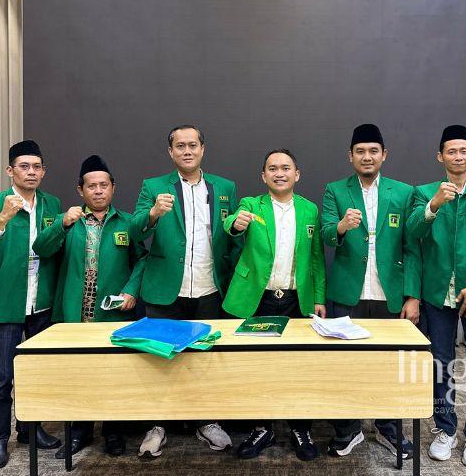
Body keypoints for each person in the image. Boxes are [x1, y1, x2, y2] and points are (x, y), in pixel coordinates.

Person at [129, 125, 241, 457]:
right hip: (166, 288)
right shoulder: (154, 187)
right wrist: (152, 214)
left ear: (203, 148)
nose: (187, 151)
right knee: (159, 359)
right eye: (180, 146)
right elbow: (135, 230)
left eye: (193, 145)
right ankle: (157, 425)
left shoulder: (224, 187)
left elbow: (231, 236)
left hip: (209, 287)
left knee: (205, 360)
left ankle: (207, 421)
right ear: (171, 152)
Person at [33, 154, 147, 458]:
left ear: (113, 188)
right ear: (80, 190)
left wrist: (131, 291)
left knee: (114, 373)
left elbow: (142, 260)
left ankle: (113, 431)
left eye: (104, 185)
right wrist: (61, 223)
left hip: (112, 315)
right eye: (91, 186)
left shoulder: (127, 223)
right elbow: (42, 248)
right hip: (74, 316)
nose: (98, 191)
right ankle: (79, 432)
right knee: (78, 375)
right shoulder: (70, 221)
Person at [406, 125, 466, 469]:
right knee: (440, 363)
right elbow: (413, 233)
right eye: (451, 151)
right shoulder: (423, 192)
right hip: (438, 293)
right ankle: (445, 428)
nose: (458, 156)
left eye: (464, 150)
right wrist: (434, 205)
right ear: (440, 156)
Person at [321, 124, 420, 458]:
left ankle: (388, 427)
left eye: (373, 151)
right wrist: (340, 227)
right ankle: (348, 429)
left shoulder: (403, 192)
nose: (367, 157)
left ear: (384, 155)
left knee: (390, 365)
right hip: (348, 292)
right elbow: (325, 234)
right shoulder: (335, 190)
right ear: (350, 156)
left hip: (390, 293)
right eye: (360, 151)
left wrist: (413, 295)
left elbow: (412, 247)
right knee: (345, 365)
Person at [222, 148, 326, 462]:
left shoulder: (309, 209)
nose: (279, 173)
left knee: (299, 367)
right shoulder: (251, 205)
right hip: (259, 299)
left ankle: (300, 429)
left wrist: (319, 298)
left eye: (285, 168)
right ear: (263, 176)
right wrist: (237, 224)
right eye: (272, 168)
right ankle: (262, 428)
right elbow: (231, 225)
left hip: (296, 300)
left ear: (297, 174)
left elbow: (317, 258)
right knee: (257, 367)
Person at [0, 140, 62, 469]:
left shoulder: (52, 204)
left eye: (37, 167)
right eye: (24, 166)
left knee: (35, 373)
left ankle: (30, 430)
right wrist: (2, 219)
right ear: (10, 170)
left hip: (41, 304)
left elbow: (53, 247)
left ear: (43, 171)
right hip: (5, 304)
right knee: (2, 375)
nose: (31, 172)